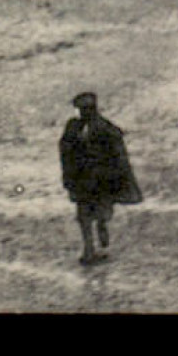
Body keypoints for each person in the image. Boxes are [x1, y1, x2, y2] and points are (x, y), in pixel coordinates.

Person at [59, 92, 142, 266]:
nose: (85, 112)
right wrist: (68, 178)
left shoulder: (105, 129)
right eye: (83, 109)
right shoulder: (74, 128)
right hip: (83, 181)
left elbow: (119, 156)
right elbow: (65, 154)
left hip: (100, 181)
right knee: (84, 216)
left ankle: (101, 227)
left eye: (88, 109)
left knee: (99, 212)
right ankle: (89, 250)